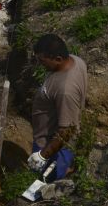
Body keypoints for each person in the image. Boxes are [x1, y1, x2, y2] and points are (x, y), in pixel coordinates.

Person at [28, 34, 87, 181]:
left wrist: (43, 155)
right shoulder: (76, 61)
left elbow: (67, 131)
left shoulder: (65, 90)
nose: (41, 64)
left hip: (54, 146)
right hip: (52, 142)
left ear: (58, 59)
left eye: (43, 61)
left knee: (46, 183)